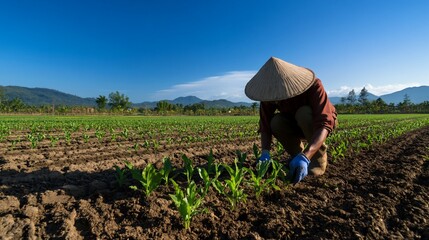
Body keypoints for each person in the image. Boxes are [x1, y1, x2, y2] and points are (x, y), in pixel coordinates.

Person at [245, 57, 337, 184]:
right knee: (276, 122)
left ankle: (315, 158)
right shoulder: (269, 95)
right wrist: (265, 153)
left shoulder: (314, 85)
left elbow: (324, 124)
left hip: (315, 124)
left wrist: (306, 157)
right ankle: (296, 156)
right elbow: (265, 125)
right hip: (293, 123)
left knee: (303, 113)